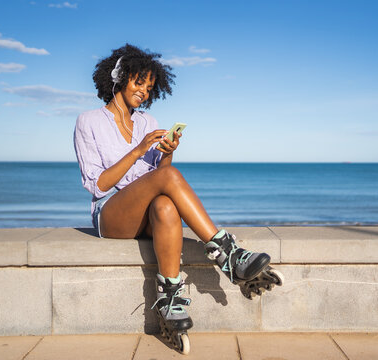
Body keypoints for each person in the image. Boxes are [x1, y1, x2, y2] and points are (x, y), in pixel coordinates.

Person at [73, 44, 281, 354]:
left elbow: (161, 177)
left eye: (149, 86)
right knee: (166, 183)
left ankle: (169, 296)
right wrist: (138, 151)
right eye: (138, 81)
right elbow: (98, 185)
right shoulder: (88, 121)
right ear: (119, 77)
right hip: (110, 215)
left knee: (165, 204)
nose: (143, 91)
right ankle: (229, 254)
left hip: (146, 212)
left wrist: (167, 154)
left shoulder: (146, 121)